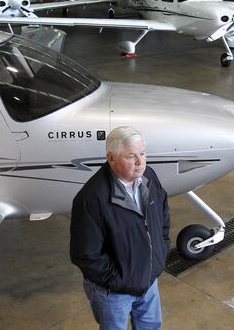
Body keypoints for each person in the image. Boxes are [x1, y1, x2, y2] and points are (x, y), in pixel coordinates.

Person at [70, 126, 170, 330]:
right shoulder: (92, 198)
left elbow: (163, 218)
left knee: (151, 327)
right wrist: (120, 281)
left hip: (149, 280)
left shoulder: (149, 178)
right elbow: (85, 254)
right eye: (131, 156)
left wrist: (159, 257)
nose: (140, 162)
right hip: (114, 292)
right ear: (111, 158)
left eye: (142, 154)